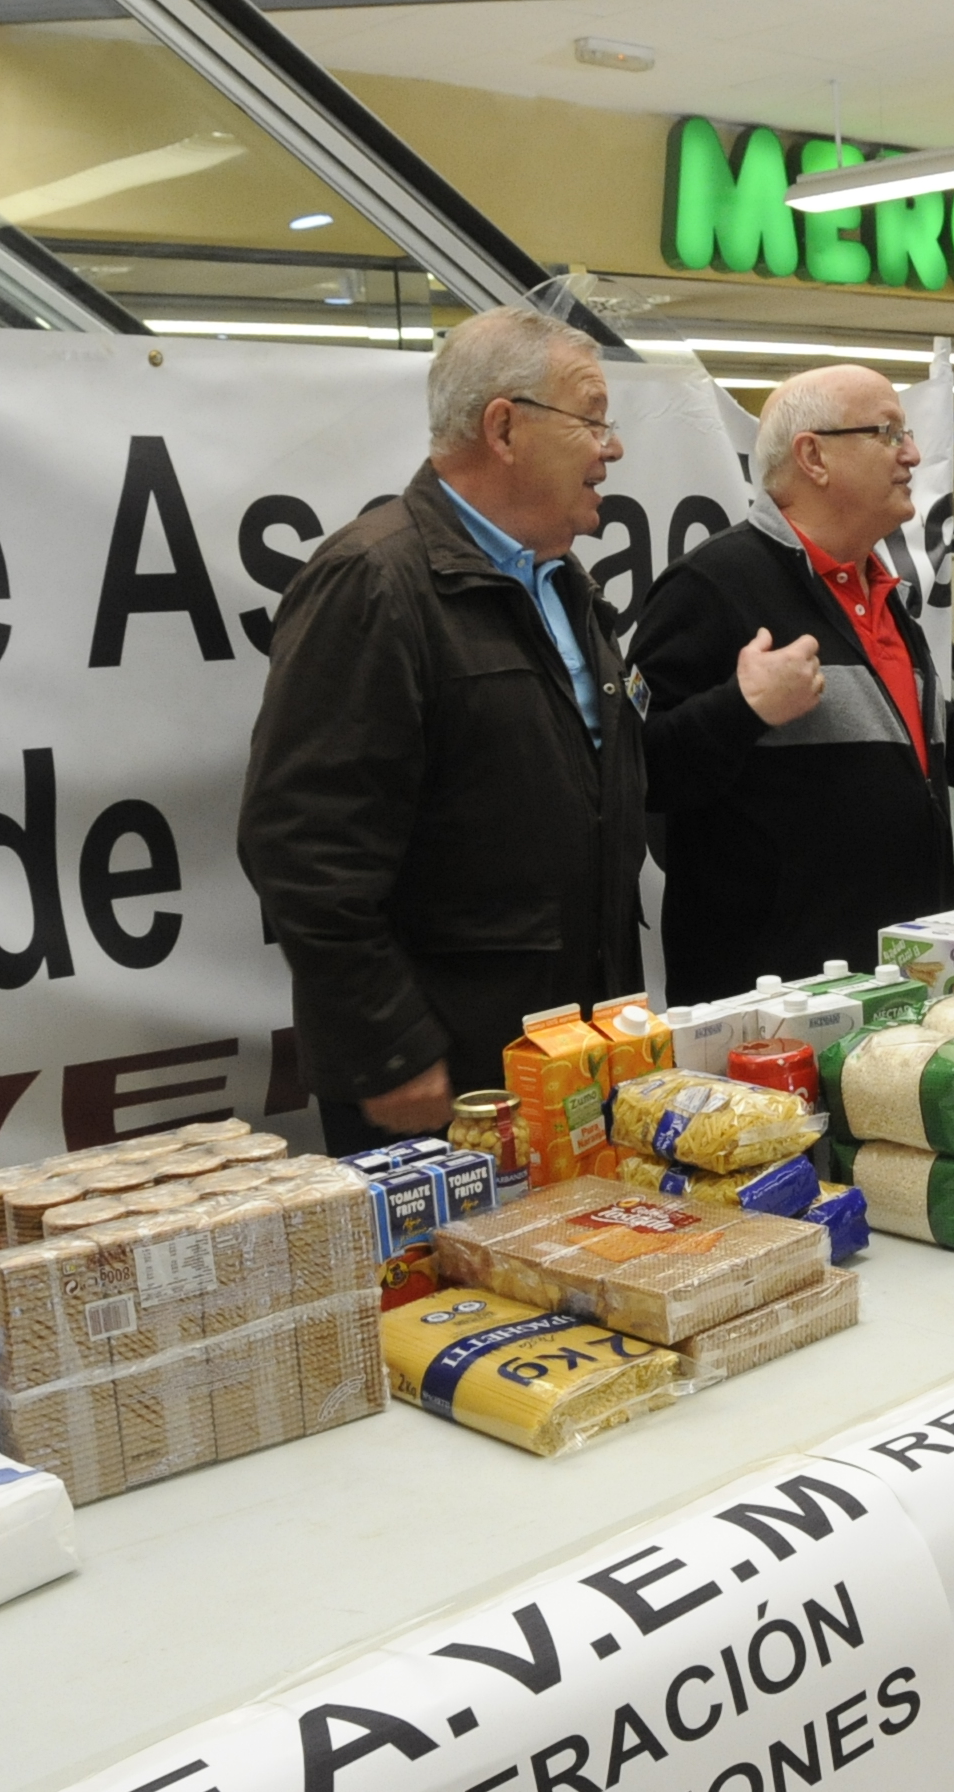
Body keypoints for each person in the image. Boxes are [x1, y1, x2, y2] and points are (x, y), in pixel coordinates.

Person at [240, 303, 643, 1157]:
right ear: (504, 428)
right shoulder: (373, 582)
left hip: (567, 1058)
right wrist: (389, 1047)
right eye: (593, 420)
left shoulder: (563, 583)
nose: (612, 449)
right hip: (448, 1074)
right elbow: (303, 845)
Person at [627, 364, 954, 1003]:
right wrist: (745, 707)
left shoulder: (879, 591)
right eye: (886, 432)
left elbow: (941, 748)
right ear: (812, 456)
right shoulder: (711, 587)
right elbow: (643, 772)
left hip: (895, 982)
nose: (912, 453)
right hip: (772, 1007)